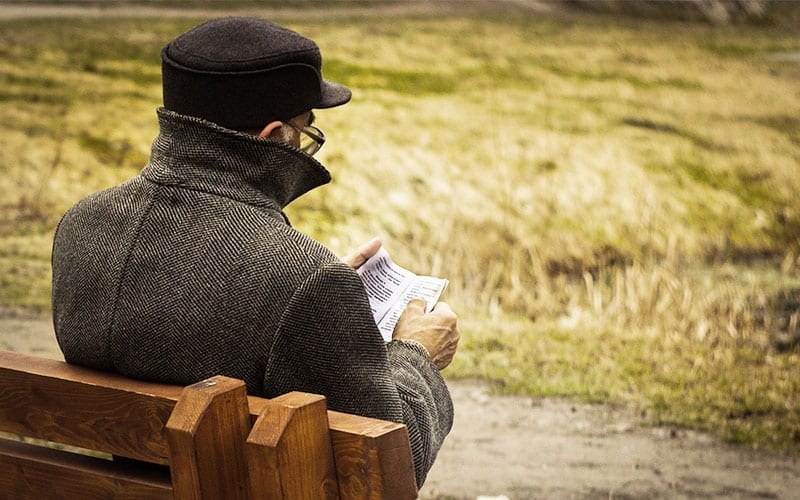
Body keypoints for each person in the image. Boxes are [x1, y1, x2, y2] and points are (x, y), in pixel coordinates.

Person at [51, 16, 460, 487]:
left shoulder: (81, 225)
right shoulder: (303, 280)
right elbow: (393, 465)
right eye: (307, 131)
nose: (307, 146)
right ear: (274, 137)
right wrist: (416, 354)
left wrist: (326, 297)